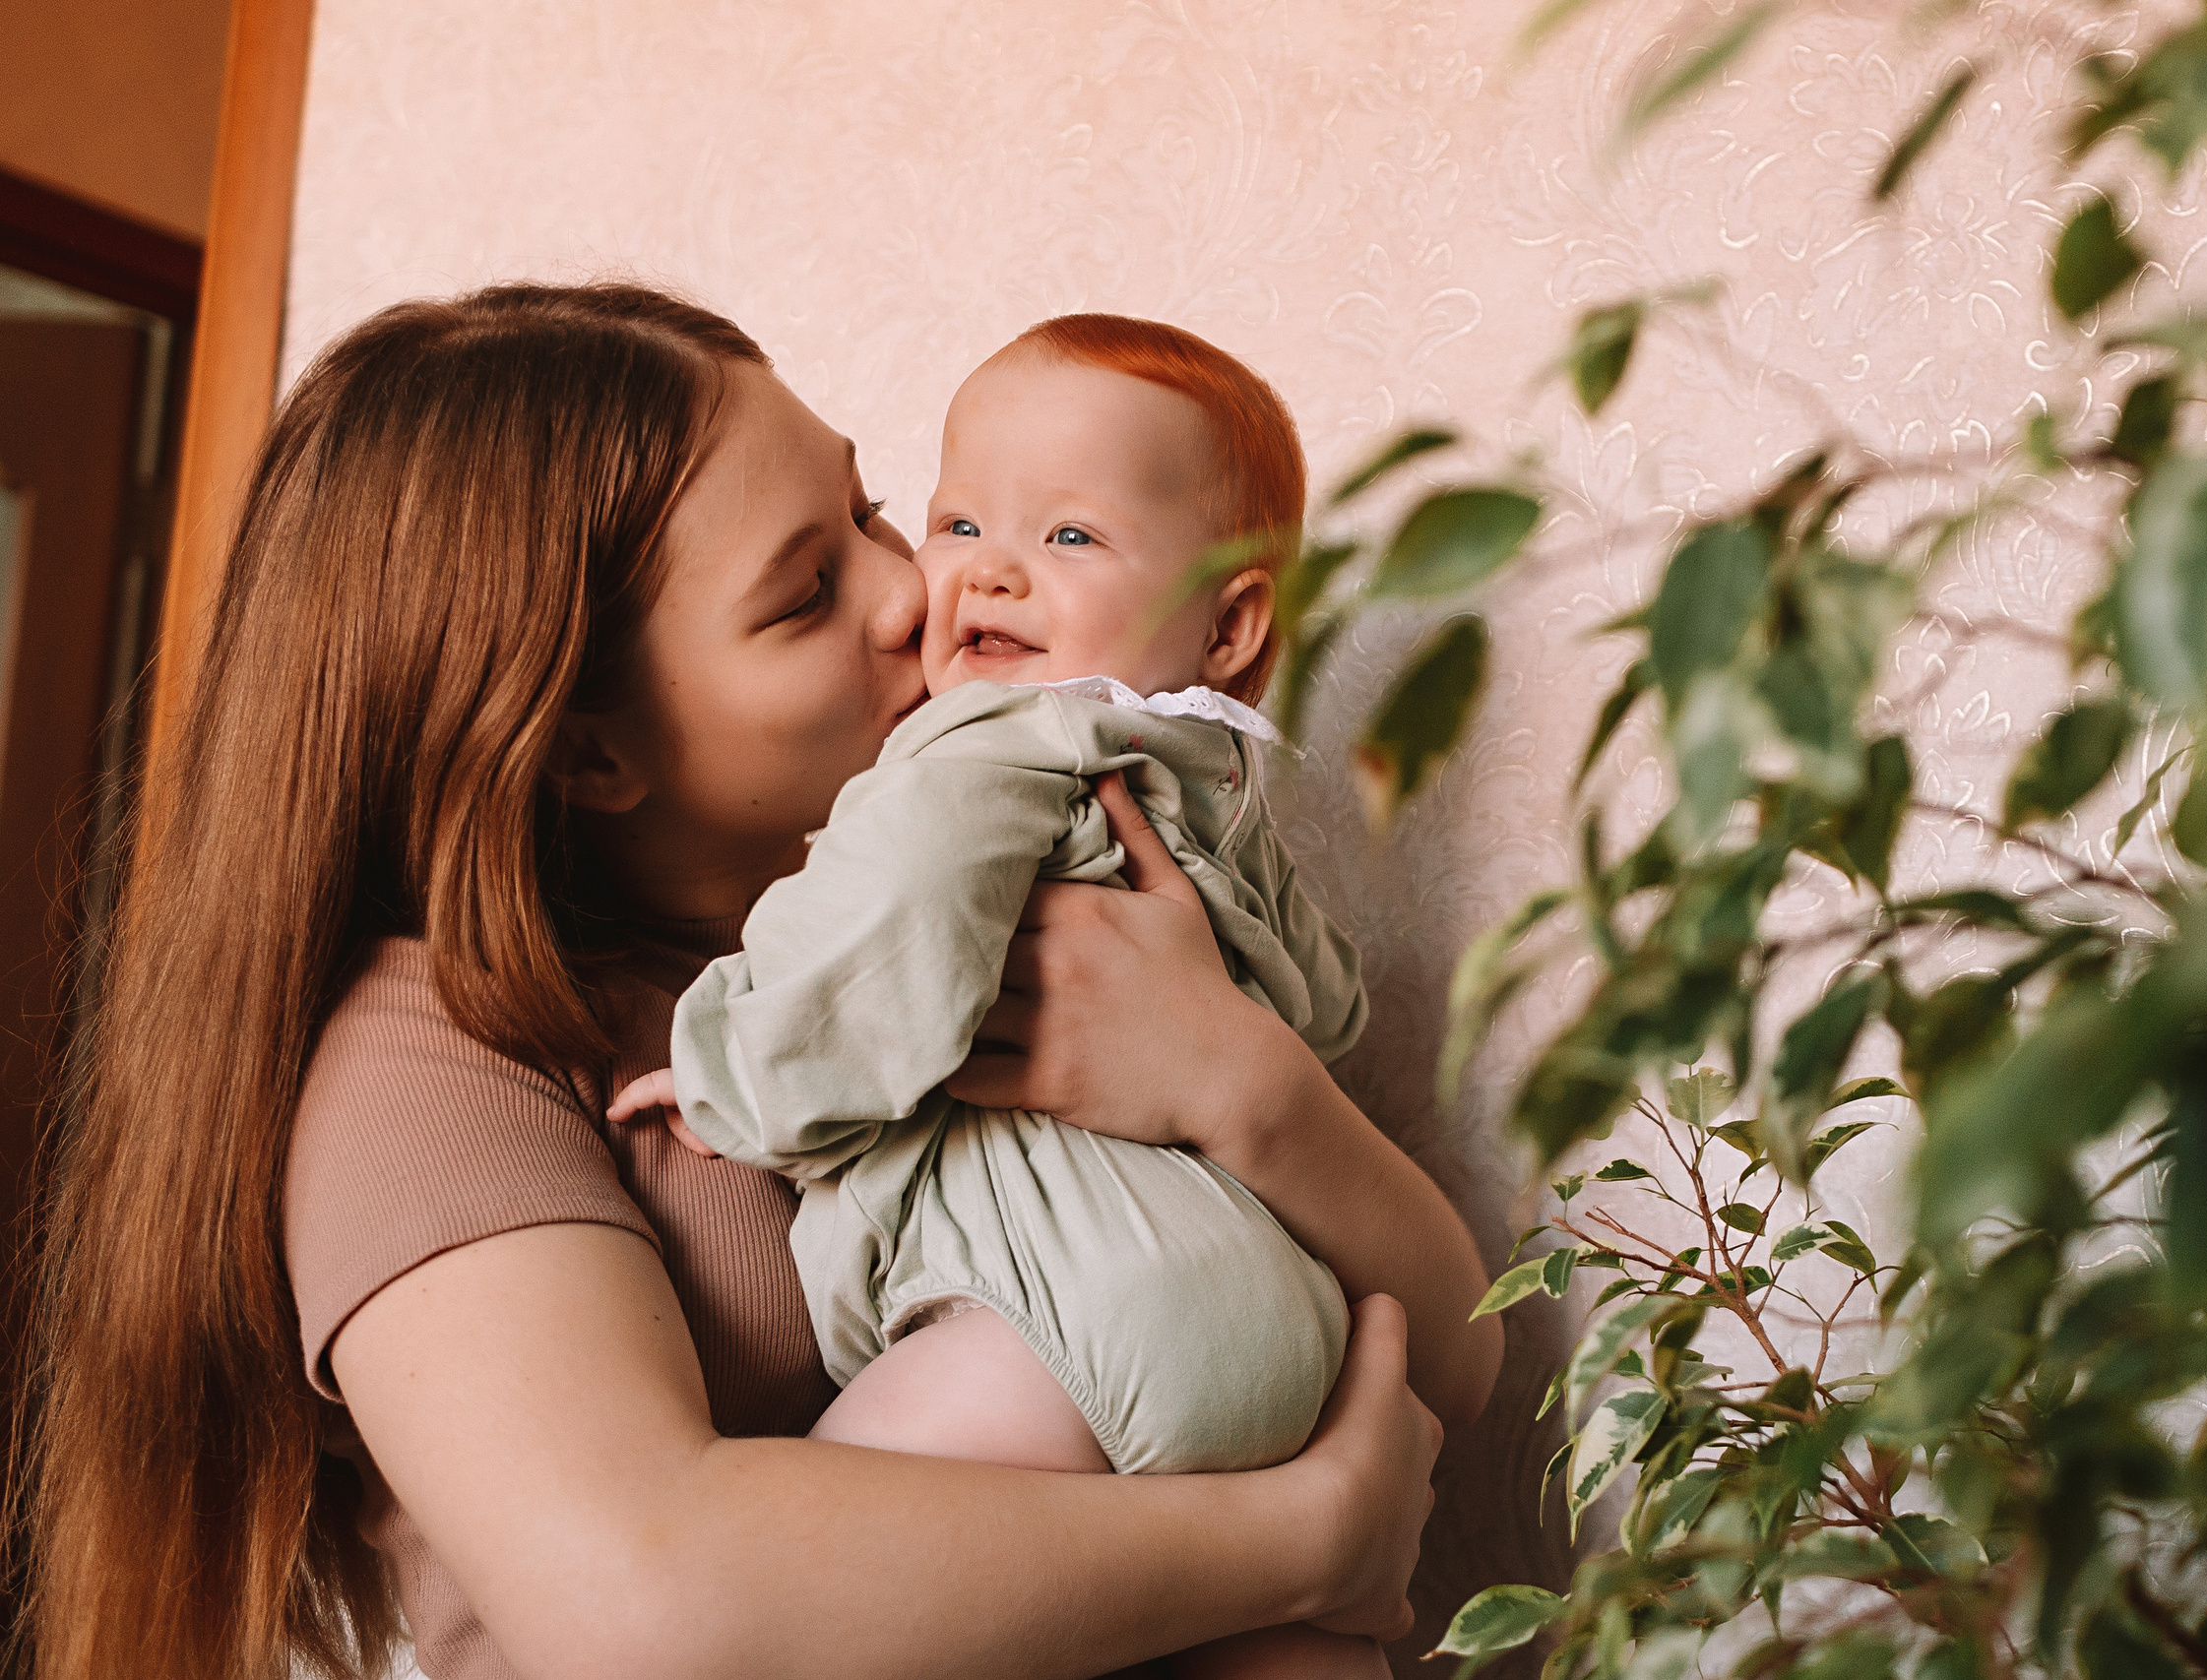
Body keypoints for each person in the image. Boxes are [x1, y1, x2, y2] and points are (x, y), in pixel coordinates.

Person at [17, 282, 1500, 1680]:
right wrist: (1307, 1541)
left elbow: (1464, 1357)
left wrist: (1245, 1091)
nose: (917, 594)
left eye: (870, 511)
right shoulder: (431, 1052)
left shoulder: (1016, 918)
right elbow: (643, 1599)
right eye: (804, 592)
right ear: (590, 746)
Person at [609, 316, 1485, 1678]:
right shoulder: (1216, 789)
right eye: (955, 520)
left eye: (1070, 538)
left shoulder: (982, 748)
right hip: (1279, 1341)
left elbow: (888, 939)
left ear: (1231, 619)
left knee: (802, 1605)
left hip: (1058, 1337)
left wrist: (733, 1069)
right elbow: (1321, 1004)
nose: (985, 575)